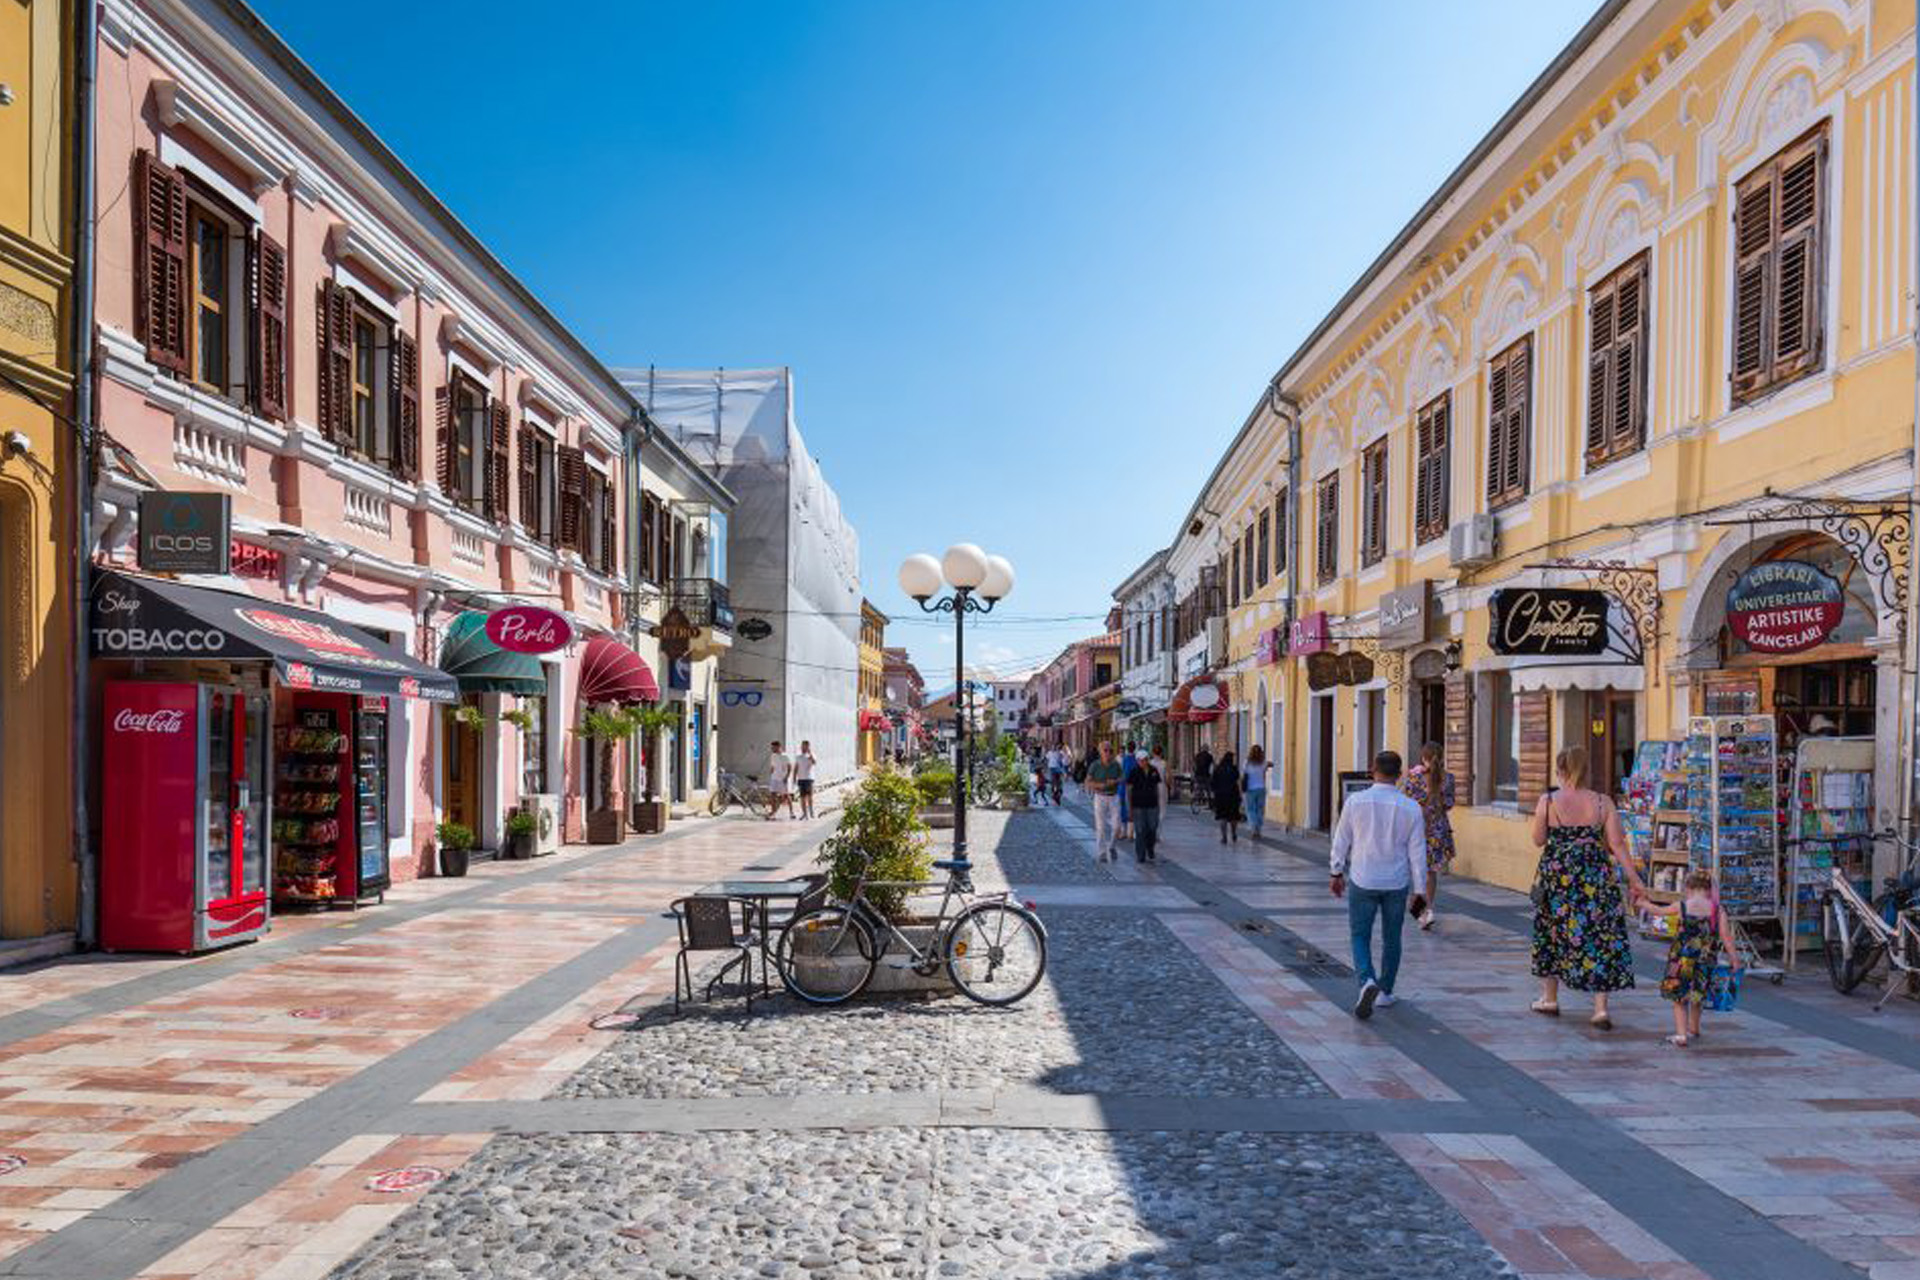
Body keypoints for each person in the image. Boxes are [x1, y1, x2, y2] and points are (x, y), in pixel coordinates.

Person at [1530, 746, 1648, 1030]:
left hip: (1559, 879)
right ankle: (1600, 1009)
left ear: (1560, 770)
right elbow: (1617, 844)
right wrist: (1635, 879)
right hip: (1596, 878)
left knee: (1552, 931)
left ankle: (1550, 998)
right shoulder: (1603, 802)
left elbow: (1538, 839)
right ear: (1587, 770)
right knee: (1601, 934)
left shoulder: (1548, 800)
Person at [1329, 750, 1429, 1019]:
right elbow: (1417, 853)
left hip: (1363, 877)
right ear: (1400, 775)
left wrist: (1336, 871)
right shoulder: (1411, 808)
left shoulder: (1355, 802)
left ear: (1373, 770)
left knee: (1359, 934)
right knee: (1392, 937)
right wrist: (1420, 890)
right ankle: (1385, 991)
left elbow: (1341, 838)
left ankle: (1366, 980)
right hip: (1396, 881)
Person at [1644, 867, 1740, 1047]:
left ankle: (1681, 1035)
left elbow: (1658, 911)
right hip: (1705, 960)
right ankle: (1694, 1028)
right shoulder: (1718, 910)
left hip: (1681, 960)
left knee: (1679, 997)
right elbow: (1726, 937)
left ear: (1688, 887)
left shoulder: (1682, 906)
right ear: (1709, 889)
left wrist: (1643, 902)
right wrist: (1735, 959)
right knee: (1698, 995)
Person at [1401, 742, 1456, 930]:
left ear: (1423, 758)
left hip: (1416, 827)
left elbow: (1406, 801)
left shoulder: (1415, 778)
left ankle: (1418, 908)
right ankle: (1427, 911)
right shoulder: (1448, 778)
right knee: (1430, 872)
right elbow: (1449, 804)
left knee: (1414, 869)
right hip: (1437, 829)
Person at [1085, 741, 1125, 862]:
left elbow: (1123, 778)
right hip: (1100, 796)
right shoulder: (1095, 765)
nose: (1108, 753)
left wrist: (1115, 781)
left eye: (1110, 751)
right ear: (1100, 752)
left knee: (1117, 826)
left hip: (1114, 796)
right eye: (1105, 750)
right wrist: (1099, 785)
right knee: (1100, 826)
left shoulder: (1116, 764)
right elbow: (1088, 781)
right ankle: (1102, 852)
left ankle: (1112, 846)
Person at [1128, 747, 1164, 863]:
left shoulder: (1154, 770)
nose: (1143, 762)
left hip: (1152, 804)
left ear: (1147, 759)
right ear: (1137, 760)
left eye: (1145, 760)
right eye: (1140, 760)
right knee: (1140, 829)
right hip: (1138, 805)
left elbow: (1157, 787)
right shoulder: (1134, 771)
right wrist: (1130, 806)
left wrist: (1159, 803)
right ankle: (1141, 854)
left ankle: (1150, 847)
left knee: (1152, 828)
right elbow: (1129, 789)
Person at [1210, 751, 1243, 844]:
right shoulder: (1234, 768)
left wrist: (1214, 794)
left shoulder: (1218, 769)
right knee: (1233, 817)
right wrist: (1240, 794)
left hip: (1220, 796)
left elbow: (1212, 783)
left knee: (1222, 817)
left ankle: (1224, 837)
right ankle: (1233, 833)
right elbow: (1238, 782)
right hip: (1233, 795)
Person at [1242, 745, 1272, 839]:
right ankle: (1258, 830)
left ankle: (1253, 828)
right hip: (1261, 789)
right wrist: (1268, 764)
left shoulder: (1247, 762)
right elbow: (1270, 765)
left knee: (1251, 810)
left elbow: (1244, 774)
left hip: (1250, 789)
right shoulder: (1263, 762)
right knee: (1260, 810)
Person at [765, 741, 793, 821]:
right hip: (774, 778)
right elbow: (772, 767)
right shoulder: (773, 756)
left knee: (786, 795)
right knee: (772, 795)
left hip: (782, 779)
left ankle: (791, 812)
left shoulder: (785, 756)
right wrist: (771, 775)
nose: (772, 749)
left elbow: (790, 767)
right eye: (772, 747)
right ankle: (773, 813)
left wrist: (786, 777)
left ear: (778, 747)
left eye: (773, 747)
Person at [1118, 743, 1138, 839]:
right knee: (1132, 808)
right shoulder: (1136, 759)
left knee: (1124, 808)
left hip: (1125, 786)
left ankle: (1124, 831)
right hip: (1134, 786)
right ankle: (1131, 832)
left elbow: (1124, 773)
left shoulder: (1126, 759)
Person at [793, 740, 817, 818]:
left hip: (809, 779)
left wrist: (810, 754)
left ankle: (811, 811)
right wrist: (794, 778)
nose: (803, 747)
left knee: (810, 796)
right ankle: (804, 813)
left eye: (805, 746)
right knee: (802, 797)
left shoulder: (811, 755)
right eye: (802, 746)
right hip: (801, 779)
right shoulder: (798, 757)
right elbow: (796, 768)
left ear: (808, 747)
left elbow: (814, 762)